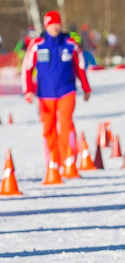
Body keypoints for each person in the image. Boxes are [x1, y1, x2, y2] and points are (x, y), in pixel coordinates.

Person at [20, 11, 92, 177]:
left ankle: (68, 159)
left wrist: (86, 88)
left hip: (67, 90)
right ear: (46, 25)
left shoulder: (70, 43)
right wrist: (28, 90)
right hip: (45, 94)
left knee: (66, 123)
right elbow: (27, 68)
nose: (55, 26)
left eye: (57, 23)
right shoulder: (37, 44)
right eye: (52, 24)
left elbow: (80, 67)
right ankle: (52, 160)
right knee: (49, 127)